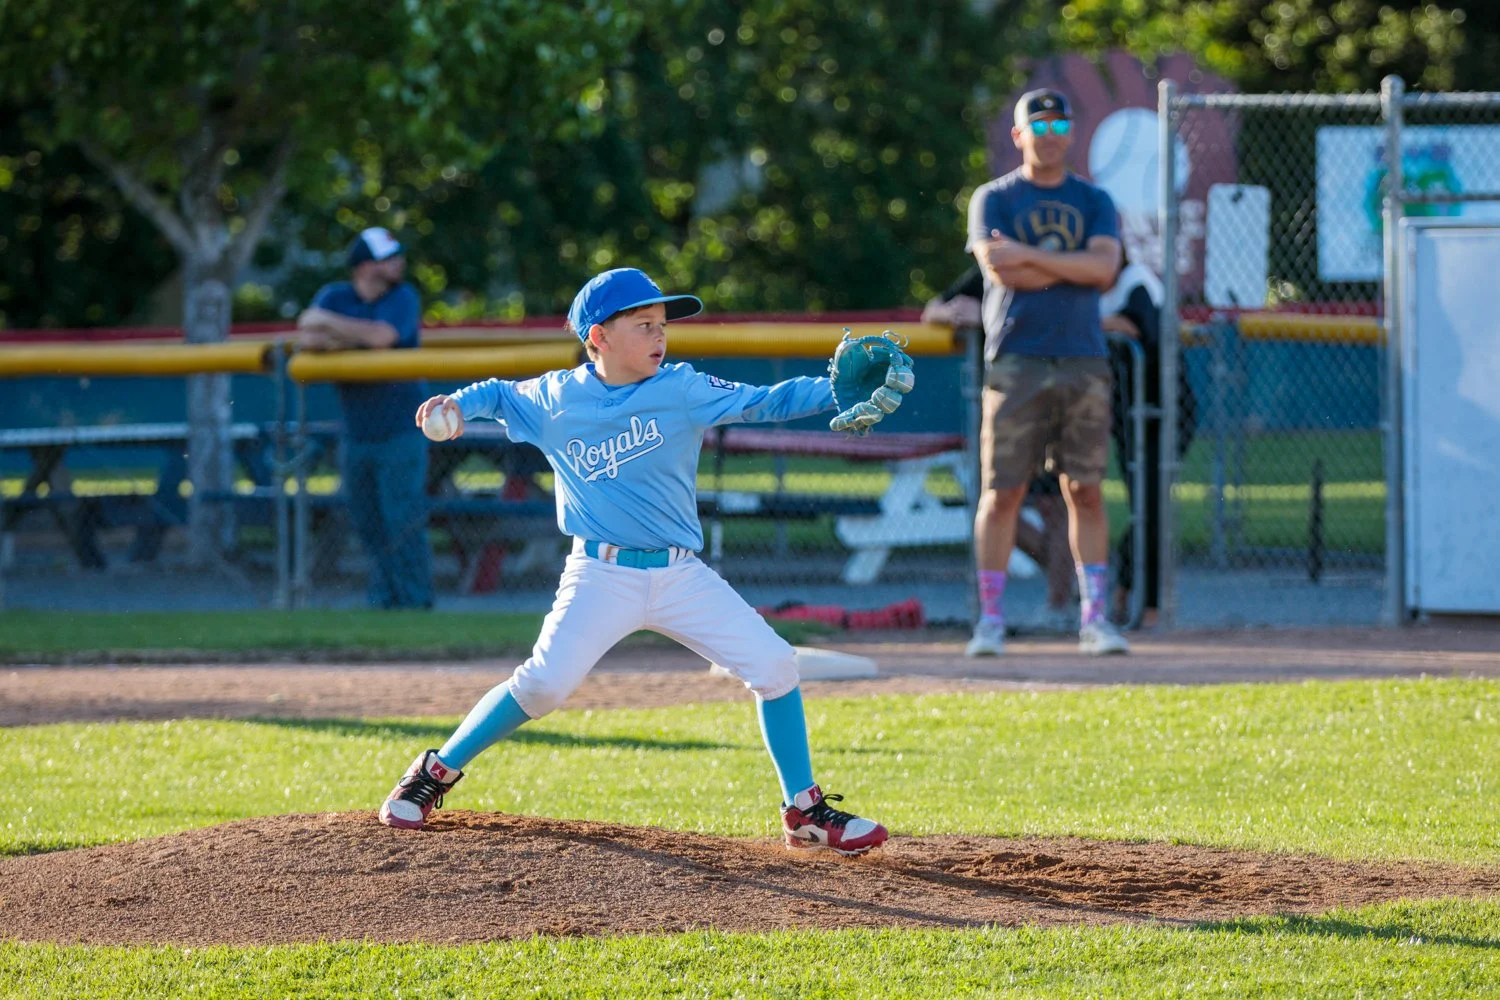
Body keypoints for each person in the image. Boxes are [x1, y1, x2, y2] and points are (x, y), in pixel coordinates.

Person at [377, 267, 892, 857]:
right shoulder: (555, 398)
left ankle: (804, 812)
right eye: (644, 325)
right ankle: (434, 772)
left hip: (679, 574)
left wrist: (835, 391)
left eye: (662, 325)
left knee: (775, 665)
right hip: (600, 575)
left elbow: (763, 402)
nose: (660, 336)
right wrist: (457, 403)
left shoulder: (680, 388)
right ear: (598, 337)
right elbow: (496, 393)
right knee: (542, 687)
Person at [964, 88, 1129, 657]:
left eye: (1060, 123)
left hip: (1083, 359)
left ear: (1072, 132)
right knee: (1002, 492)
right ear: (1019, 135)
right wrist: (1070, 266)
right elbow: (999, 269)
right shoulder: (994, 198)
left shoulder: (1095, 199)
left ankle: (1095, 619)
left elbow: (1104, 269)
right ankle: (990, 622)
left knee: (1085, 490)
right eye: (1039, 125)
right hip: (1016, 360)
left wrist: (1031, 256)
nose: (1051, 134)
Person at [923, 268, 1076, 633]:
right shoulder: (992, 265)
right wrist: (952, 313)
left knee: (1055, 504)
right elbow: (931, 310)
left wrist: (986, 315)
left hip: (1053, 397)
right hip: (1002, 404)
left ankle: (1061, 604)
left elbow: (1053, 318)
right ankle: (1064, 580)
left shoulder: (1055, 262)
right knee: (994, 500)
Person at [297, 227, 433, 610]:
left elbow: (382, 337)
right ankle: (384, 601)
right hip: (356, 432)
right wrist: (356, 335)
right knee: (367, 521)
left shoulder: (402, 296)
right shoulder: (335, 295)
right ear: (365, 266)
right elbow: (307, 338)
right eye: (388, 258)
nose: (399, 263)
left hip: (403, 428)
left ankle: (415, 602)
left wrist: (331, 327)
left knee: (402, 519)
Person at [1101, 252, 1198, 627]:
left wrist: (1105, 324)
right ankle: (1128, 590)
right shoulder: (1087, 291)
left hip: (1169, 413)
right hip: (1129, 417)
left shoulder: (1135, 281)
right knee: (1143, 508)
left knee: (1151, 507)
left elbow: (1148, 331)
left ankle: (1148, 603)